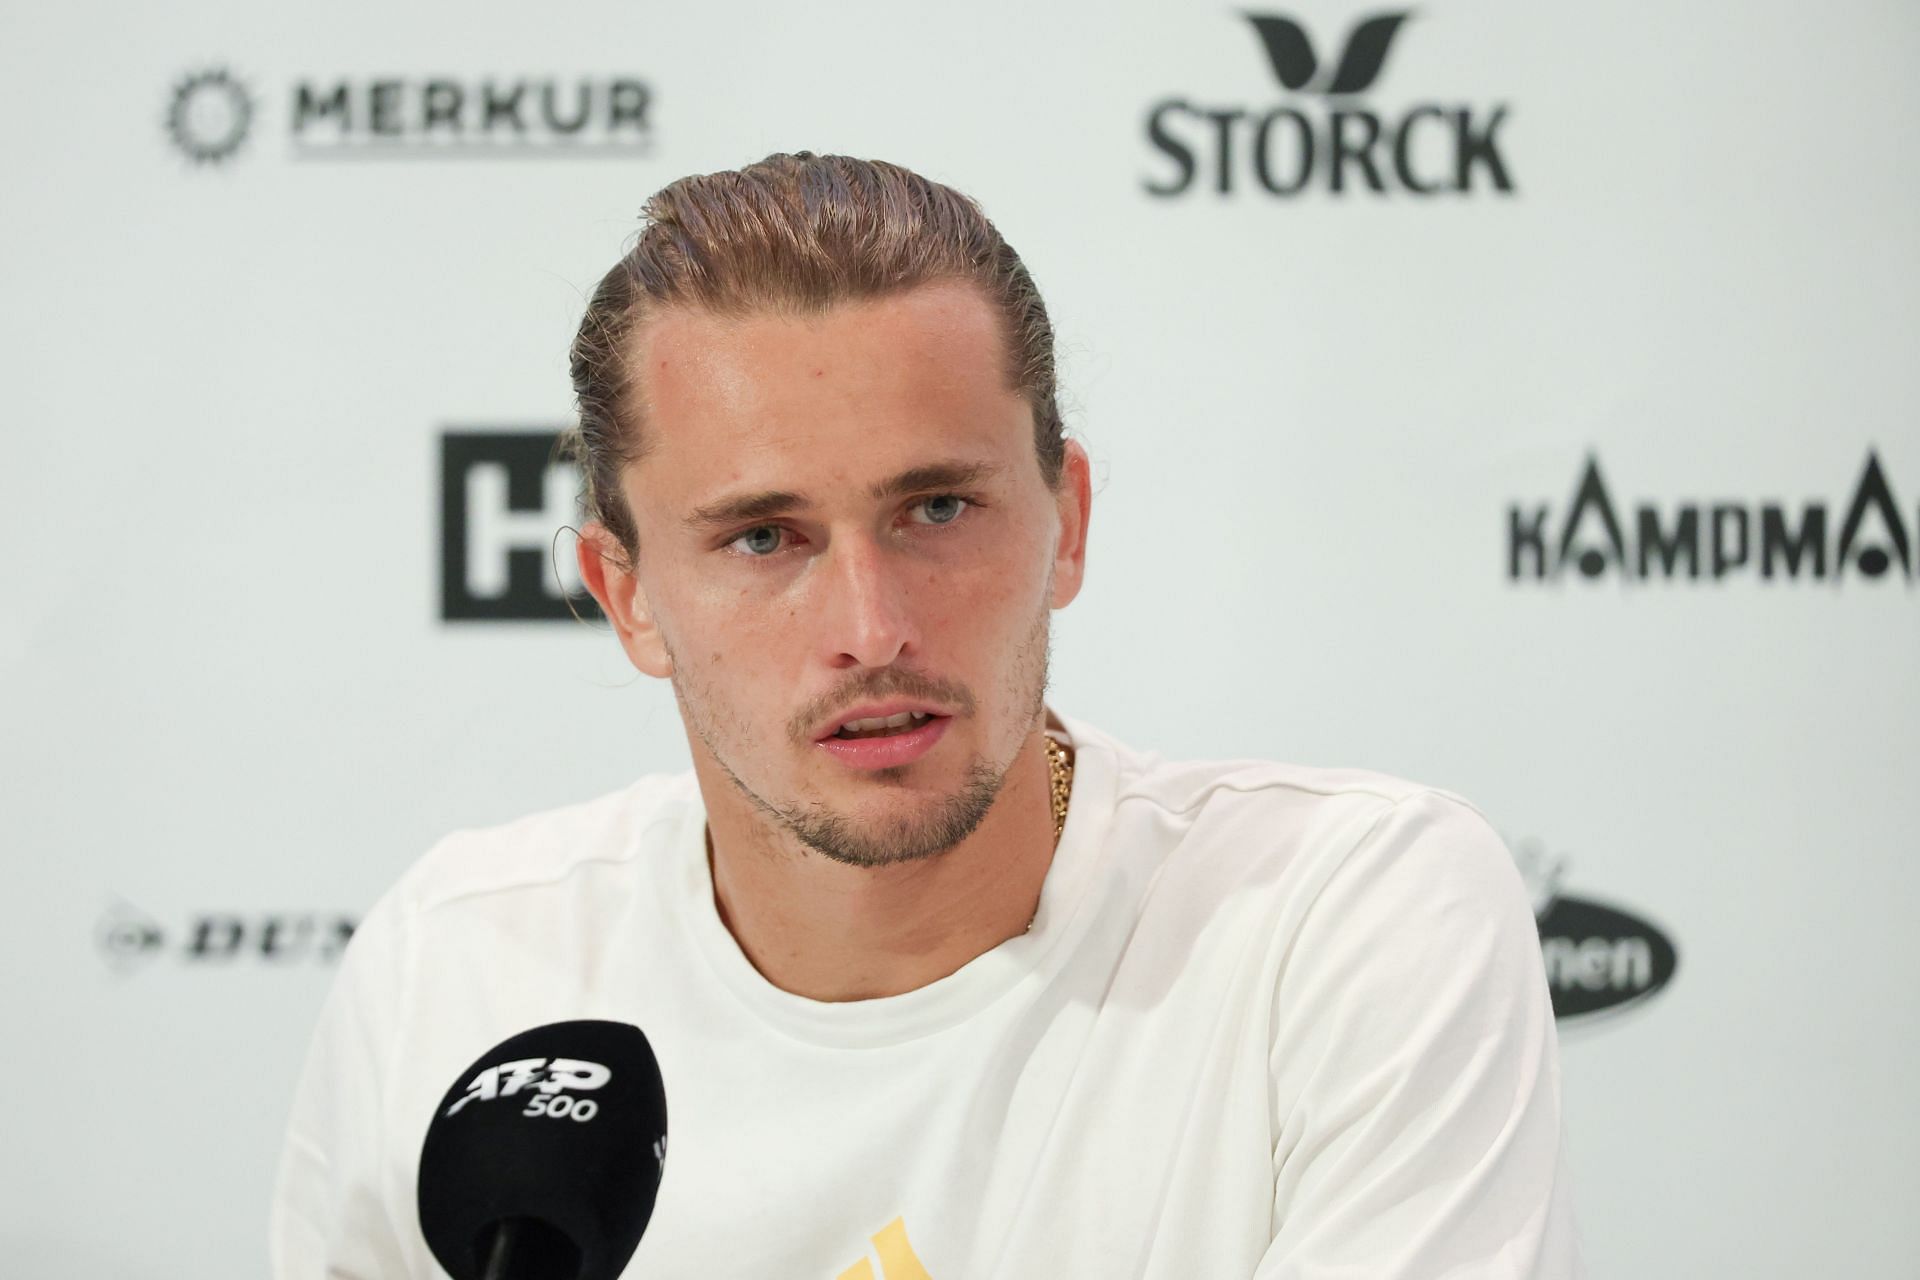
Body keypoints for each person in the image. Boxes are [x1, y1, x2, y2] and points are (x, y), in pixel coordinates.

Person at [271, 151, 1582, 1278]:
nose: (872, 627)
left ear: (1065, 522)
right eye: (764, 537)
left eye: (937, 510)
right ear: (627, 597)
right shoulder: (463, 967)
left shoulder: (1339, 921)